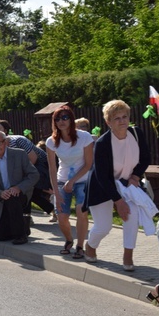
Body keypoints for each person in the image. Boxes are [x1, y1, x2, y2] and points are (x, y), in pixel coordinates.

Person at [84, 100, 152, 271]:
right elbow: (102, 176)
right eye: (116, 118)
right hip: (101, 186)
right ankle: (90, 246)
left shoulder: (136, 134)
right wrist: (118, 201)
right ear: (108, 122)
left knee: (132, 214)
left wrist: (135, 176)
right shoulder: (102, 143)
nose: (122, 121)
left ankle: (128, 255)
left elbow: (145, 158)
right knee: (104, 227)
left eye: (124, 117)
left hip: (126, 183)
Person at [46, 106, 94, 258]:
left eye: (65, 117)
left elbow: (88, 164)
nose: (61, 121)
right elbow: (52, 169)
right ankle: (68, 240)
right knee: (62, 215)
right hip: (62, 179)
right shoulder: (51, 141)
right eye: (57, 119)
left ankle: (80, 246)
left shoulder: (84, 137)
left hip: (82, 179)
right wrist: (56, 193)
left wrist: (72, 181)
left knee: (81, 210)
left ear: (71, 119)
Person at [0, 131, 39, 245]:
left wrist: (19, 187)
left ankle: (20, 236)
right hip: (1, 197)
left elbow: (34, 175)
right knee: (1, 236)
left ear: (6, 142)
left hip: (20, 193)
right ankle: (23, 226)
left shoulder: (19, 154)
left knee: (12, 197)